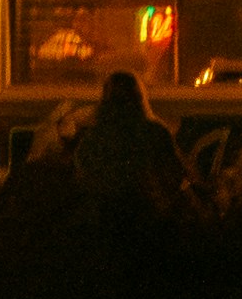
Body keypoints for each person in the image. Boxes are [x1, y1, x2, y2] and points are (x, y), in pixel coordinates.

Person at [67, 69, 188, 219]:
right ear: (139, 96)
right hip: (147, 215)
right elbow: (174, 173)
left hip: (104, 218)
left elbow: (82, 176)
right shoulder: (155, 132)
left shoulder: (94, 136)